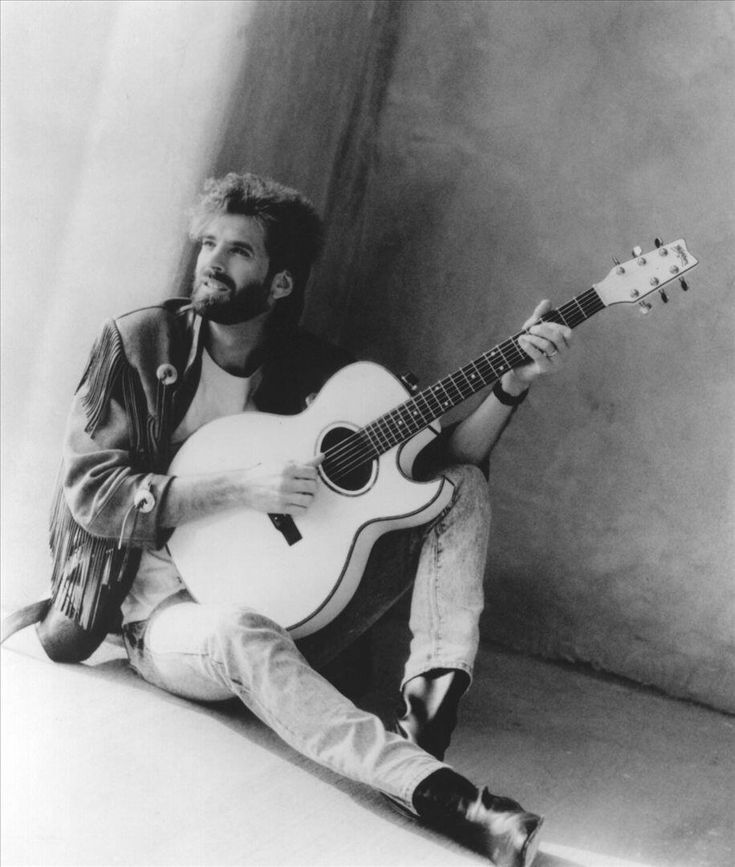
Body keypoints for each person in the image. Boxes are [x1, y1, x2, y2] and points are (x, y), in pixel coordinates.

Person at [36, 172, 573, 866]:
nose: (212, 261)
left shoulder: (315, 369)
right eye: (208, 243)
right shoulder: (142, 344)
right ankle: (452, 798)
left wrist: (509, 384)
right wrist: (238, 486)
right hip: (164, 615)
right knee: (239, 632)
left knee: (460, 483)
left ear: (281, 283)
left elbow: (440, 465)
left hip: (301, 602)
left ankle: (428, 713)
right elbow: (91, 488)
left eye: (238, 251)